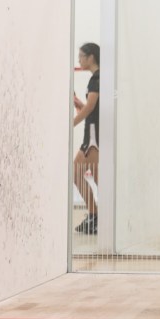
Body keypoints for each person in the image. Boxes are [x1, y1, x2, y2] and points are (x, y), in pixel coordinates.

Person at [73, 43, 100, 235]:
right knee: (76, 172)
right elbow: (91, 108)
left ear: (91, 57)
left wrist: (70, 123)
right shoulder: (97, 78)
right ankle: (94, 215)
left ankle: (99, 218)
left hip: (94, 135)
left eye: (81, 56)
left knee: (99, 179)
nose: (79, 60)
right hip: (90, 134)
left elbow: (91, 108)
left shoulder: (96, 79)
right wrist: (78, 104)